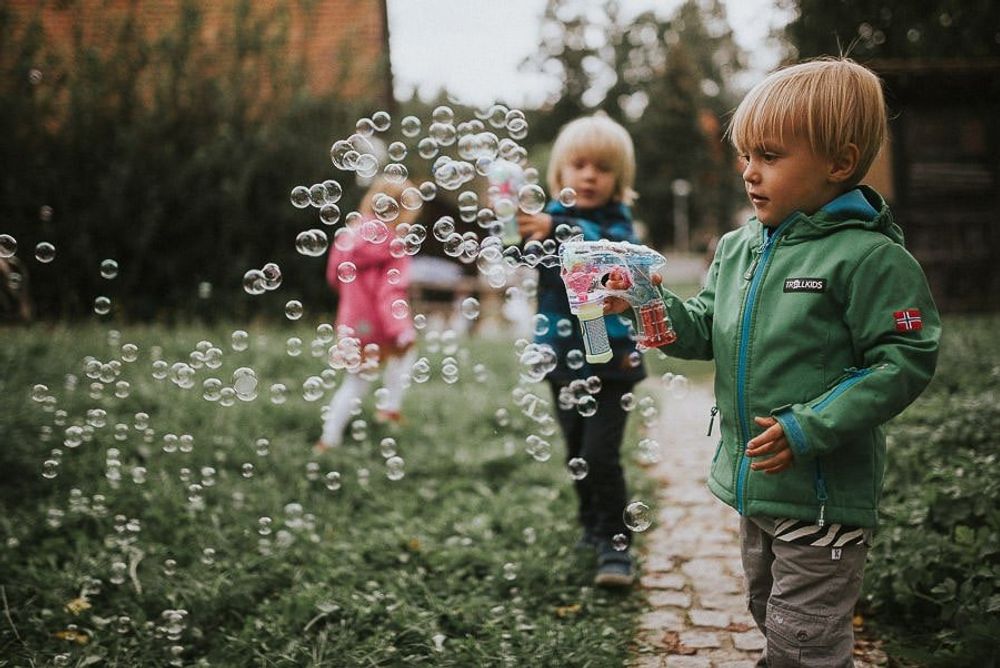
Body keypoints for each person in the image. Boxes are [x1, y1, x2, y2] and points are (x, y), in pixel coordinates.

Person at [606, 58, 940, 665]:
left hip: (821, 494)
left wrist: (809, 426)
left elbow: (905, 358)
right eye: (745, 157)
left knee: (803, 640)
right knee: (770, 614)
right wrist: (645, 301)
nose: (749, 174)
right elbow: (704, 328)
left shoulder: (868, 259)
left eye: (770, 156)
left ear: (838, 163)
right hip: (757, 487)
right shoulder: (740, 248)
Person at [517, 113, 645, 588]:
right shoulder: (546, 218)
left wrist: (558, 226)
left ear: (620, 179)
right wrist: (513, 223)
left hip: (611, 359)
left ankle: (617, 547)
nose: (590, 175)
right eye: (579, 164)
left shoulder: (616, 222)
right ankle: (592, 526)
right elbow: (521, 254)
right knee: (576, 450)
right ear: (560, 174)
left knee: (599, 454)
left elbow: (610, 252)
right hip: (560, 355)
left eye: (604, 167)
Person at [316, 177, 419, 451]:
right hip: (383, 325)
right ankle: (390, 408)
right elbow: (391, 293)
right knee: (407, 352)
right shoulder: (395, 244)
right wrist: (401, 330)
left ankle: (329, 439)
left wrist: (354, 303)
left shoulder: (349, 235)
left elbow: (334, 277)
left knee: (355, 383)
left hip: (352, 323)